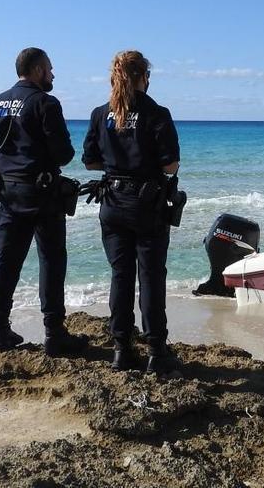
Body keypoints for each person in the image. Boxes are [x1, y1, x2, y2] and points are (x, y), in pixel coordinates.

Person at [82, 50, 181, 374]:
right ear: (143, 77)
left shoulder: (101, 114)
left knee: (120, 276)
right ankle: (156, 350)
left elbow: (90, 161)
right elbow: (170, 164)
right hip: (146, 205)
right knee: (151, 278)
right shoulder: (157, 113)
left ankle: (121, 349)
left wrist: (117, 160)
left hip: (112, 202)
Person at [0, 47, 87, 355]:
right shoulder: (45, 103)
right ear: (38, 70)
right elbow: (65, 155)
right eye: (50, 69)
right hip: (42, 195)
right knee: (52, 261)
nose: (53, 75)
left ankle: (0, 330)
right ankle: (54, 333)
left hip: (8, 193)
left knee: (6, 260)